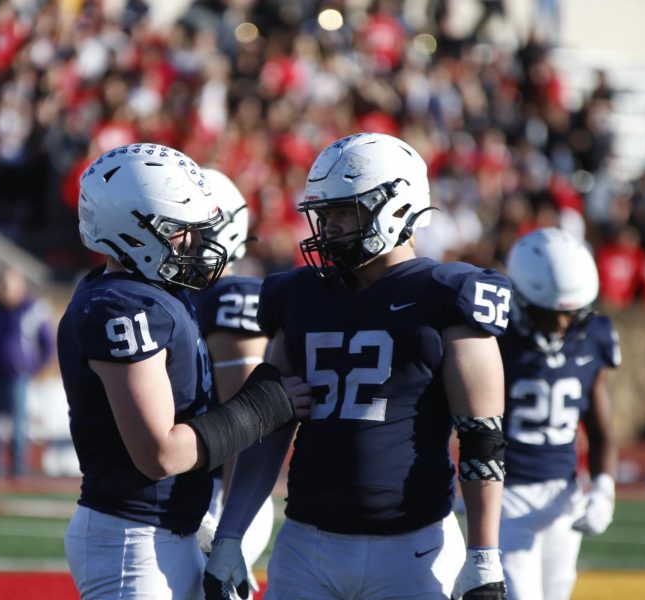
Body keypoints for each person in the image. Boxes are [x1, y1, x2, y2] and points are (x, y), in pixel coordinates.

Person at [204, 133, 510, 600]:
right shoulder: (299, 295)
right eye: (324, 215)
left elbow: (482, 437)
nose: (329, 229)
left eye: (344, 212)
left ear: (398, 206)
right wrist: (231, 535)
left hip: (413, 547)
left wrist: (484, 554)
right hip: (307, 542)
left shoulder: (448, 294)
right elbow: (269, 424)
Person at [57, 144, 312, 599]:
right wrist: (262, 407)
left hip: (162, 528)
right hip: (133, 538)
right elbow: (159, 455)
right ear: (132, 232)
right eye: (180, 229)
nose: (195, 242)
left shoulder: (139, 293)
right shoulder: (124, 308)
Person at [498, 228, 619, 600]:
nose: (562, 325)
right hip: (505, 492)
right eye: (549, 315)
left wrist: (604, 488)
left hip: (564, 496)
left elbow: (600, 430)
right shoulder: (495, 336)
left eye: (571, 315)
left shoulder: (594, 335)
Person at [191, 169, 275, 595]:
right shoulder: (175, 294)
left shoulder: (232, 296)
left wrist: (227, 522)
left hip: (220, 489)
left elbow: (243, 421)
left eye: (190, 225)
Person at [0, 267, 54, 477]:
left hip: (17, 375)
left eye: (8, 286)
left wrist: (34, 367)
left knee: (18, 423)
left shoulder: (33, 309)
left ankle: (17, 468)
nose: (3, 290)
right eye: (2, 286)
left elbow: (48, 343)